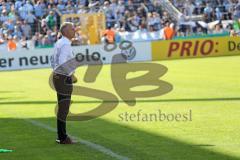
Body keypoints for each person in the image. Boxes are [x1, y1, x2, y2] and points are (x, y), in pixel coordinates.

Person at [51, 22, 78, 144]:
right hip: (63, 78)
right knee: (64, 109)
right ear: (66, 31)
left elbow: (53, 60)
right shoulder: (65, 44)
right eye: (72, 28)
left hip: (58, 76)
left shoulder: (60, 42)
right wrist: (70, 74)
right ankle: (62, 137)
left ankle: (61, 136)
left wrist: (56, 71)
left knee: (63, 108)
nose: (75, 30)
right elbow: (62, 60)